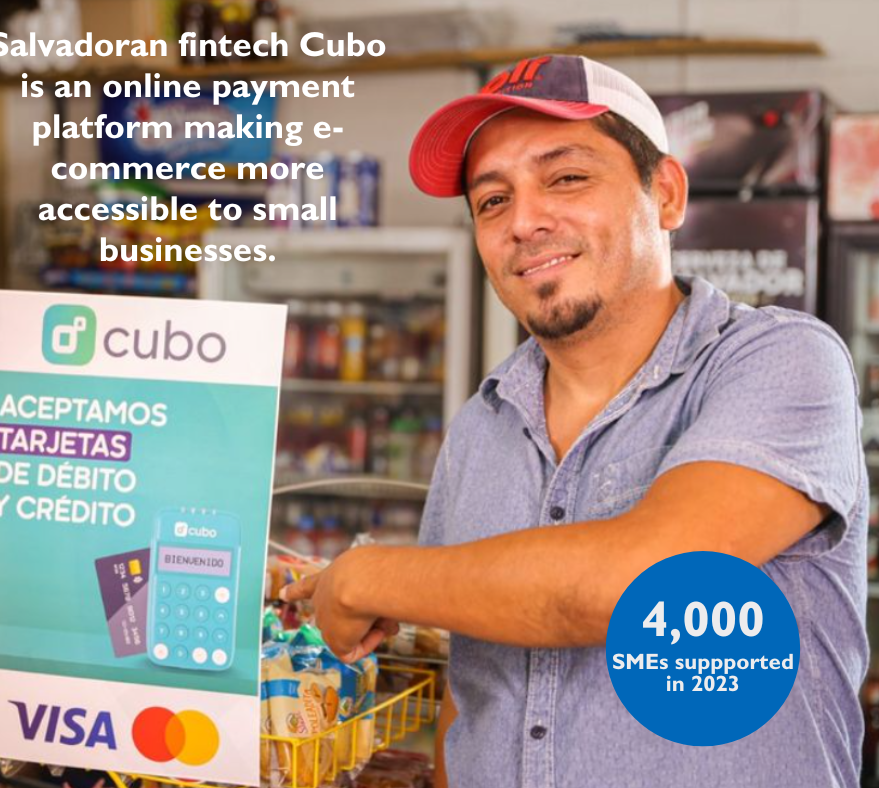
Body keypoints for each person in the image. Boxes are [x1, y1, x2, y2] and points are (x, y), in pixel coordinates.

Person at [282, 55, 867, 787]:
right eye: (492, 202)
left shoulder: (779, 361)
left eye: (566, 178)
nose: (525, 220)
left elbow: (647, 580)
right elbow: (476, 699)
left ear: (667, 193)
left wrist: (366, 576)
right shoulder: (478, 429)